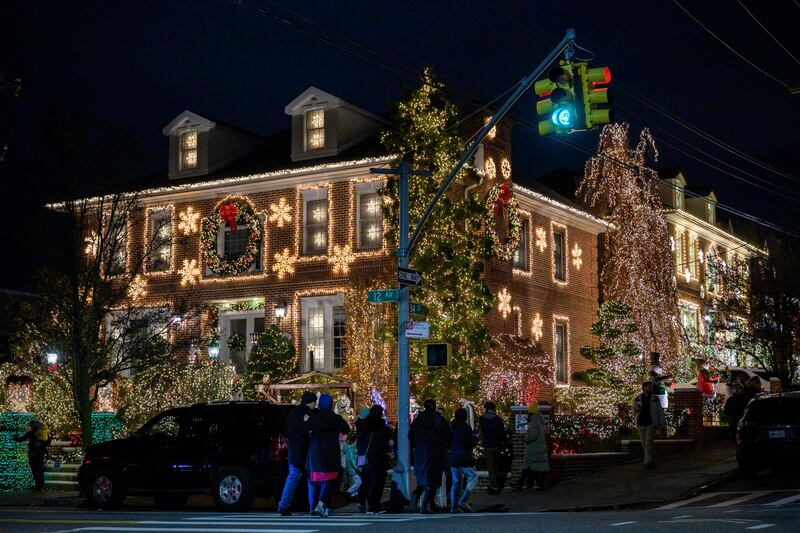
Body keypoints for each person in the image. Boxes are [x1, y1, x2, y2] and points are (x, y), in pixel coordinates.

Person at [306, 393, 351, 517]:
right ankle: (322, 504)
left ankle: (314, 506)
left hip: (315, 452)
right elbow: (346, 429)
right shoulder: (335, 418)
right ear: (331, 404)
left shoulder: (313, 416)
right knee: (332, 479)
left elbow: (305, 429)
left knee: (315, 481)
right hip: (330, 452)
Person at [409, 398, 451, 514]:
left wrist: (416, 446)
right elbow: (448, 436)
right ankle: (427, 505)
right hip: (435, 453)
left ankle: (417, 500)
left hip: (421, 452)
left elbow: (410, 435)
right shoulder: (440, 420)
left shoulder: (417, 421)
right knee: (433, 481)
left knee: (423, 480)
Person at [277, 391, 316, 516]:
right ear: (311, 402)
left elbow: (286, 431)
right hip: (305, 451)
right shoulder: (308, 414)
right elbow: (306, 430)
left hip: (293, 451)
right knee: (311, 479)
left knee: (293, 477)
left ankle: (283, 505)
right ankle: (313, 507)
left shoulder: (292, 414)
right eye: (314, 402)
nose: (315, 405)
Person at [357, 404, 394, 514]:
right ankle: (373, 506)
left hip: (364, 457)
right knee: (377, 483)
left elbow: (360, 440)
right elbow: (386, 440)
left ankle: (362, 502)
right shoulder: (382, 427)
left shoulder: (363, 425)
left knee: (366, 481)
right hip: (378, 458)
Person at [514, 404, 549, 491]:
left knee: (525, 466)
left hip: (533, 448)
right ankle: (542, 485)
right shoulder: (541, 421)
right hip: (540, 447)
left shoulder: (534, 422)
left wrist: (526, 438)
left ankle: (519, 485)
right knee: (538, 468)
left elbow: (533, 435)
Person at [449, 408, 478, 512]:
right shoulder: (466, 427)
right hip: (465, 457)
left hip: (454, 457)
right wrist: (475, 438)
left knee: (456, 482)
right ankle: (463, 500)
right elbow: (470, 442)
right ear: (465, 417)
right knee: (473, 477)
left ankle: (454, 506)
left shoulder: (451, 427)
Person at [634, 381, 665, 468]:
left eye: (651, 387)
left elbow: (660, 412)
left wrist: (661, 425)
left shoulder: (655, 399)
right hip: (641, 422)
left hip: (651, 423)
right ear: (644, 388)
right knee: (644, 443)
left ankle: (648, 461)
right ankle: (649, 459)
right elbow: (634, 409)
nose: (651, 389)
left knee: (648, 443)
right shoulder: (638, 398)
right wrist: (636, 410)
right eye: (649, 387)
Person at [479, 401, 507, 494]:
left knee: (490, 467)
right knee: (495, 466)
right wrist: (505, 442)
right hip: (497, 445)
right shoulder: (498, 419)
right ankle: (495, 484)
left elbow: (481, 432)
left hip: (487, 445)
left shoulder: (482, 419)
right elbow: (502, 433)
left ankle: (494, 486)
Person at [14, 420, 51, 491]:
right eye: (31, 425)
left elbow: (48, 441)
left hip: (39, 453)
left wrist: (41, 444)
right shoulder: (30, 433)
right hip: (32, 453)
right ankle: (38, 486)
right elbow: (22, 438)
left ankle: (41, 486)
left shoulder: (42, 433)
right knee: (35, 470)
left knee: (39, 470)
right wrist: (16, 438)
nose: (32, 426)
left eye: (33, 425)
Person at [342, 433, 361, 498]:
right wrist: (357, 467)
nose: (357, 442)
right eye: (356, 441)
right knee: (359, 482)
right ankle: (348, 492)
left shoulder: (352, 448)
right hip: (353, 469)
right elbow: (352, 459)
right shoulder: (350, 449)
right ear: (353, 441)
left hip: (353, 468)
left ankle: (354, 495)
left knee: (358, 482)